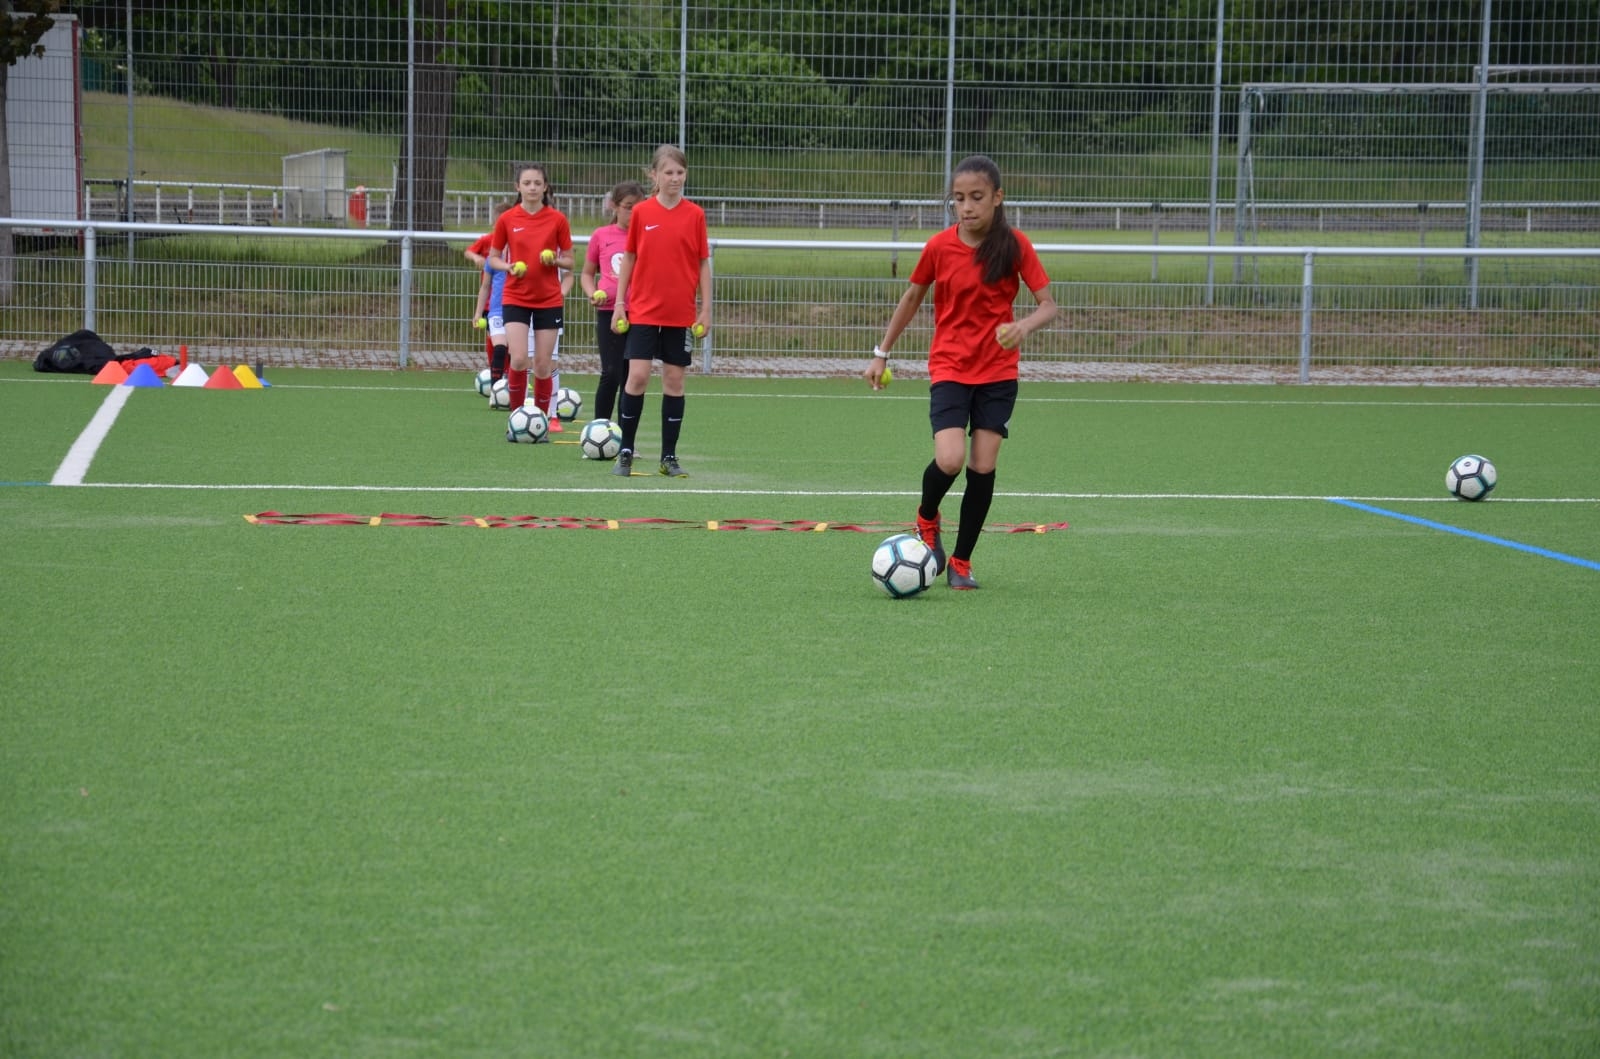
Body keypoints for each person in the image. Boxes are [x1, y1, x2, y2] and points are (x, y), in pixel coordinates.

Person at [863, 154, 1057, 590]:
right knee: (950, 459)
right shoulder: (938, 247)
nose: (966, 207)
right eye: (958, 198)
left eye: (976, 197)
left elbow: (1048, 305)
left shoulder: (1015, 245)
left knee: (982, 467)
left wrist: (1023, 326)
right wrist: (881, 353)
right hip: (950, 367)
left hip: (998, 374)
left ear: (997, 197)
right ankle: (926, 518)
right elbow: (912, 298)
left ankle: (962, 562)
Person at [610, 145, 711, 478]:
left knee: (674, 381)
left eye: (680, 172)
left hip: (680, 314)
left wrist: (706, 308)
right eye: (668, 172)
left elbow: (702, 262)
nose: (675, 178)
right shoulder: (641, 212)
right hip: (642, 311)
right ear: (654, 175)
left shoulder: (695, 215)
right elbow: (630, 258)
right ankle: (626, 450)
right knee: (637, 377)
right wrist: (620, 303)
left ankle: (669, 457)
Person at [487, 163, 574, 429]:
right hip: (515, 297)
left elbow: (570, 261)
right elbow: (493, 257)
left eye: (537, 183)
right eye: (527, 183)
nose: (532, 188)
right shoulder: (507, 219)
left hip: (549, 299)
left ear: (545, 186)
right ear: (518, 187)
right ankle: (517, 420)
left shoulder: (557, 219)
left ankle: (541, 422)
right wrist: (508, 267)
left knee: (543, 365)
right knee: (519, 359)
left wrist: (555, 261)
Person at [581, 180, 645, 422]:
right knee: (611, 372)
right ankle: (601, 428)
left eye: (638, 207)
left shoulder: (647, 236)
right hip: (610, 311)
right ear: (614, 206)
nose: (633, 213)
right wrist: (592, 292)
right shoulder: (601, 235)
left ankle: (626, 434)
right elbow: (587, 274)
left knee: (632, 376)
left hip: (641, 313)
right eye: (628, 207)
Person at [465, 222, 509, 385]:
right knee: (498, 346)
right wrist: (477, 313)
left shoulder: (521, 255)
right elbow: (484, 287)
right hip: (494, 307)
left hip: (516, 308)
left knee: (516, 351)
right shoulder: (490, 251)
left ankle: (513, 379)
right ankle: (496, 384)